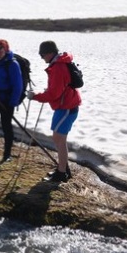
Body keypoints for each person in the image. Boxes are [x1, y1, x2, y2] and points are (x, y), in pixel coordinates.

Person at [27, 41, 81, 182]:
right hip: (64, 106)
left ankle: (62, 173)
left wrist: (35, 96)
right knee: (59, 139)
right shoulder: (59, 64)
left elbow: (54, 94)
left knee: (59, 139)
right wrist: (45, 92)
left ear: (50, 53)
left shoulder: (58, 67)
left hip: (66, 108)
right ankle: (63, 169)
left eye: (42, 54)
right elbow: (57, 89)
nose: (41, 57)